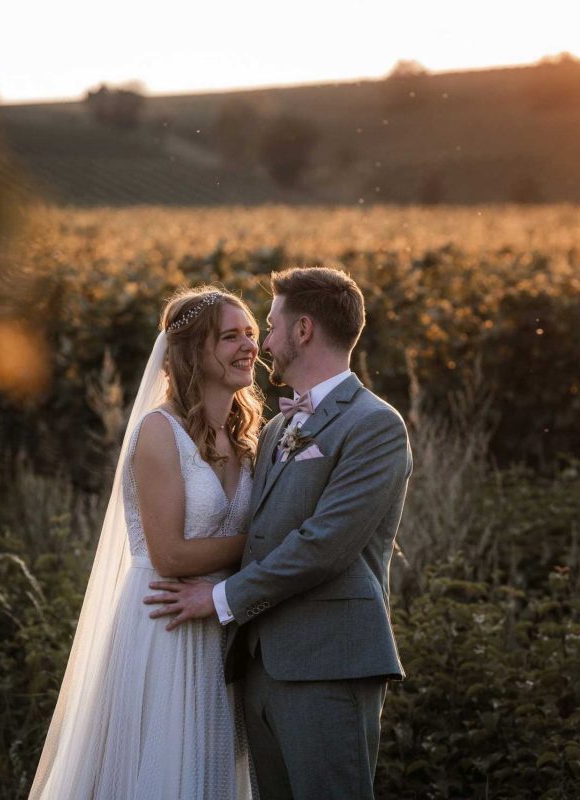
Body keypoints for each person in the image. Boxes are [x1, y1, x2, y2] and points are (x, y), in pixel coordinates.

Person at [145, 267, 413, 800]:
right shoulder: (274, 429)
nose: (263, 342)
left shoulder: (374, 424)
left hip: (327, 664)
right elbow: (261, 531)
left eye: (269, 327)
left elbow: (324, 545)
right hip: (259, 664)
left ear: (304, 330)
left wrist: (219, 597)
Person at [29, 287, 264, 799]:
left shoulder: (246, 436)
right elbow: (171, 555)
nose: (249, 346)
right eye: (230, 336)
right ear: (191, 353)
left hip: (220, 625)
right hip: (167, 626)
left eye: (251, 333)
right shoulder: (160, 431)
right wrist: (263, 547)